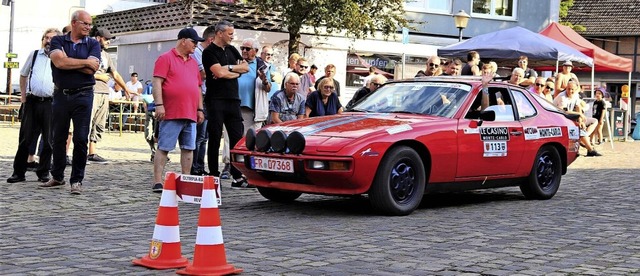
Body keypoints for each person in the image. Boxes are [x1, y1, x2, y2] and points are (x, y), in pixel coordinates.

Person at [42, 10, 101, 195]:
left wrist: (69, 61)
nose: (88, 27)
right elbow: (59, 63)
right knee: (58, 137)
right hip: (61, 94)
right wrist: (83, 63)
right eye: (85, 23)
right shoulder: (59, 40)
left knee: (81, 138)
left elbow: (93, 68)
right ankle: (57, 176)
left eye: (90, 24)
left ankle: (76, 180)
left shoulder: (93, 43)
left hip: (83, 95)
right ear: (74, 23)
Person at [151, 27, 205, 192]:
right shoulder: (165, 58)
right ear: (184, 40)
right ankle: (158, 181)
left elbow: (197, 88)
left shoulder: (193, 62)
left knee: (189, 148)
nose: (196, 45)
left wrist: (200, 109)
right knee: (164, 146)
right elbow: (157, 82)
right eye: (194, 42)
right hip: (171, 112)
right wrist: (159, 104)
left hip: (190, 112)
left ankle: (186, 179)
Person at [7, 28, 61, 184]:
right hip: (32, 101)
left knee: (49, 140)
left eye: (52, 38)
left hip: (50, 103)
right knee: (25, 138)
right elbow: (23, 75)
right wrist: (23, 97)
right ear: (42, 39)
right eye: (46, 37)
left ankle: (43, 172)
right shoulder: (35, 54)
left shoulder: (60, 57)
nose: (48, 40)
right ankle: (18, 172)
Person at [202, 20, 253, 189]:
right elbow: (218, 72)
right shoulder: (209, 52)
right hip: (216, 100)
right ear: (220, 33)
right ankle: (213, 175)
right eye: (230, 33)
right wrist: (230, 72)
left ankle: (238, 176)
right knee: (215, 137)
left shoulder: (232, 50)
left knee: (237, 139)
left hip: (233, 99)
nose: (232, 36)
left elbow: (245, 68)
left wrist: (228, 69)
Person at [88, 27, 132, 164]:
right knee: (87, 122)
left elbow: (115, 74)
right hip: (91, 91)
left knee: (98, 123)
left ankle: (92, 152)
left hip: (104, 92)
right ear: (97, 38)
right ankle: (81, 152)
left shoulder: (106, 56)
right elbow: (81, 70)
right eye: (106, 39)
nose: (108, 42)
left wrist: (126, 88)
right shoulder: (87, 51)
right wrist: (99, 76)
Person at [190, 25, 215, 176]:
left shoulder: (203, 53)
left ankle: (200, 165)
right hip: (201, 96)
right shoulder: (198, 54)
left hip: (207, 95)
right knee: (199, 135)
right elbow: (203, 74)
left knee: (204, 136)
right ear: (211, 40)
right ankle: (194, 166)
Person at [553, 81, 601, 157]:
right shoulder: (562, 97)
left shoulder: (575, 95)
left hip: (570, 117)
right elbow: (565, 111)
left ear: (576, 89)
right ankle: (590, 149)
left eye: (572, 89)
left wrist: (581, 120)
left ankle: (585, 137)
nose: (570, 91)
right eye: (568, 89)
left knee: (594, 121)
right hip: (559, 118)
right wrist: (580, 115)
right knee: (577, 128)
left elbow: (578, 107)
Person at [238, 38, 272, 132]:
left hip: (252, 110)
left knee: (249, 140)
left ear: (256, 51)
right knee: (231, 140)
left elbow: (268, 89)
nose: (244, 51)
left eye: (247, 49)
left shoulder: (262, 67)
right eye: (242, 48)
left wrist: (264, 81)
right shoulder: (236, 62)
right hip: (233, 107)